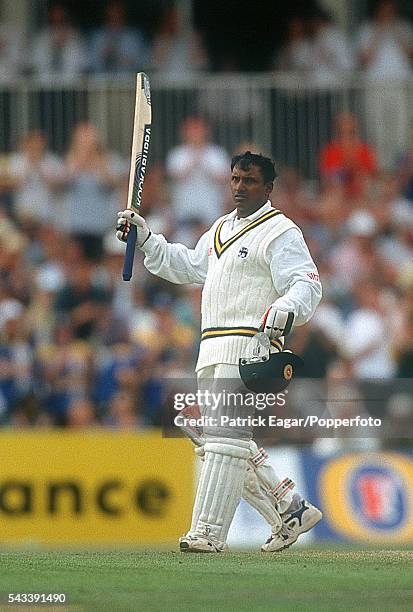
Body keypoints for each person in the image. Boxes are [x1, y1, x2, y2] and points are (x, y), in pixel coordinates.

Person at [116, 151, 322, 553]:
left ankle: (207, 533)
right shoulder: (220, 228)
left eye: (248, 180)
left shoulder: (280, 231)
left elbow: (307, 283)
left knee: (224, 440)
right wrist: (145, 238)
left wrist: (285, 308)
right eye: (234, 180)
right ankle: (290, 508)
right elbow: (188, 266)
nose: (239, 187)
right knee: (212, 437)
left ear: (268, 187)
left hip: (250, 346)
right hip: (210, 346)